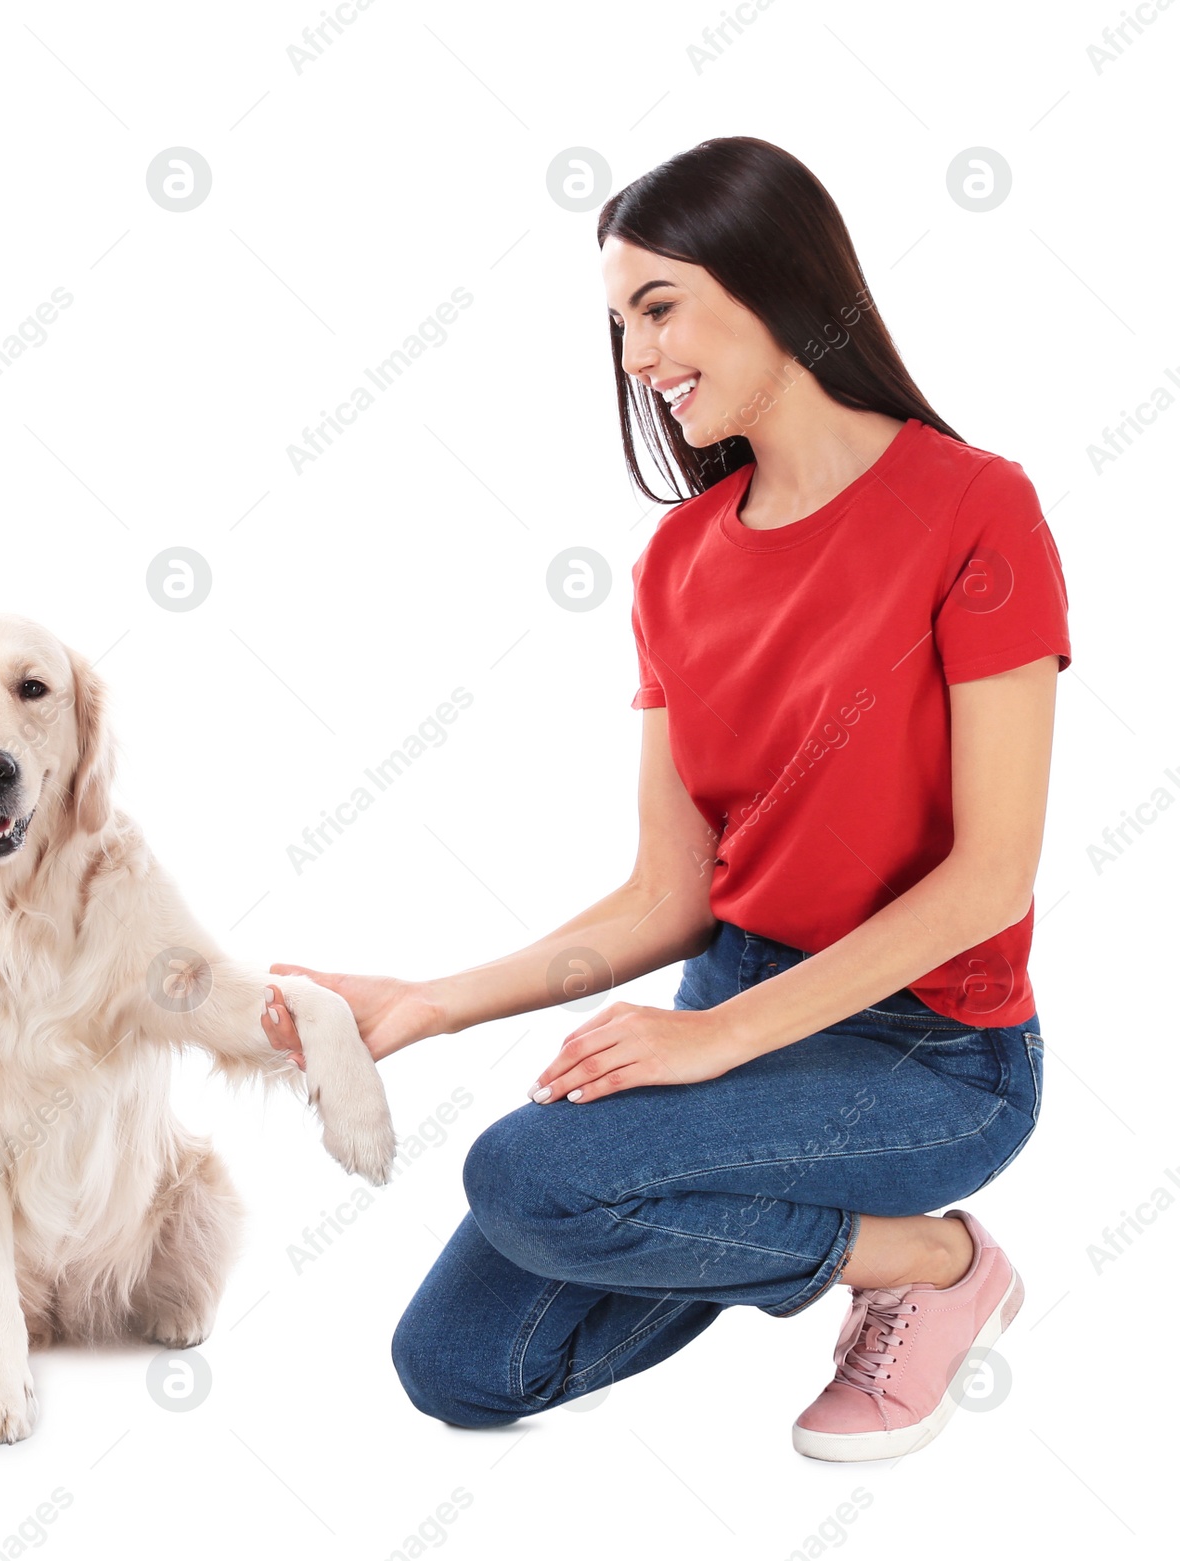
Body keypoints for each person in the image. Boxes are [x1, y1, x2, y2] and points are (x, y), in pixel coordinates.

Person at [259, 136, 1069, 1462]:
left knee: (525, 1174)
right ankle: (888, 1249)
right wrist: (429, 999)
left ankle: (935, 1255)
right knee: (458, 1364)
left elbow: (990, 877)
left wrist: (720, 1043)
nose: (636, 359)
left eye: (659, 309)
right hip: (739, 1002)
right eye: (619, 325)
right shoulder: (681, 558)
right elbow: (669, 893)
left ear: (778, 284)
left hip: (933, 1051)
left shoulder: (979, 508)